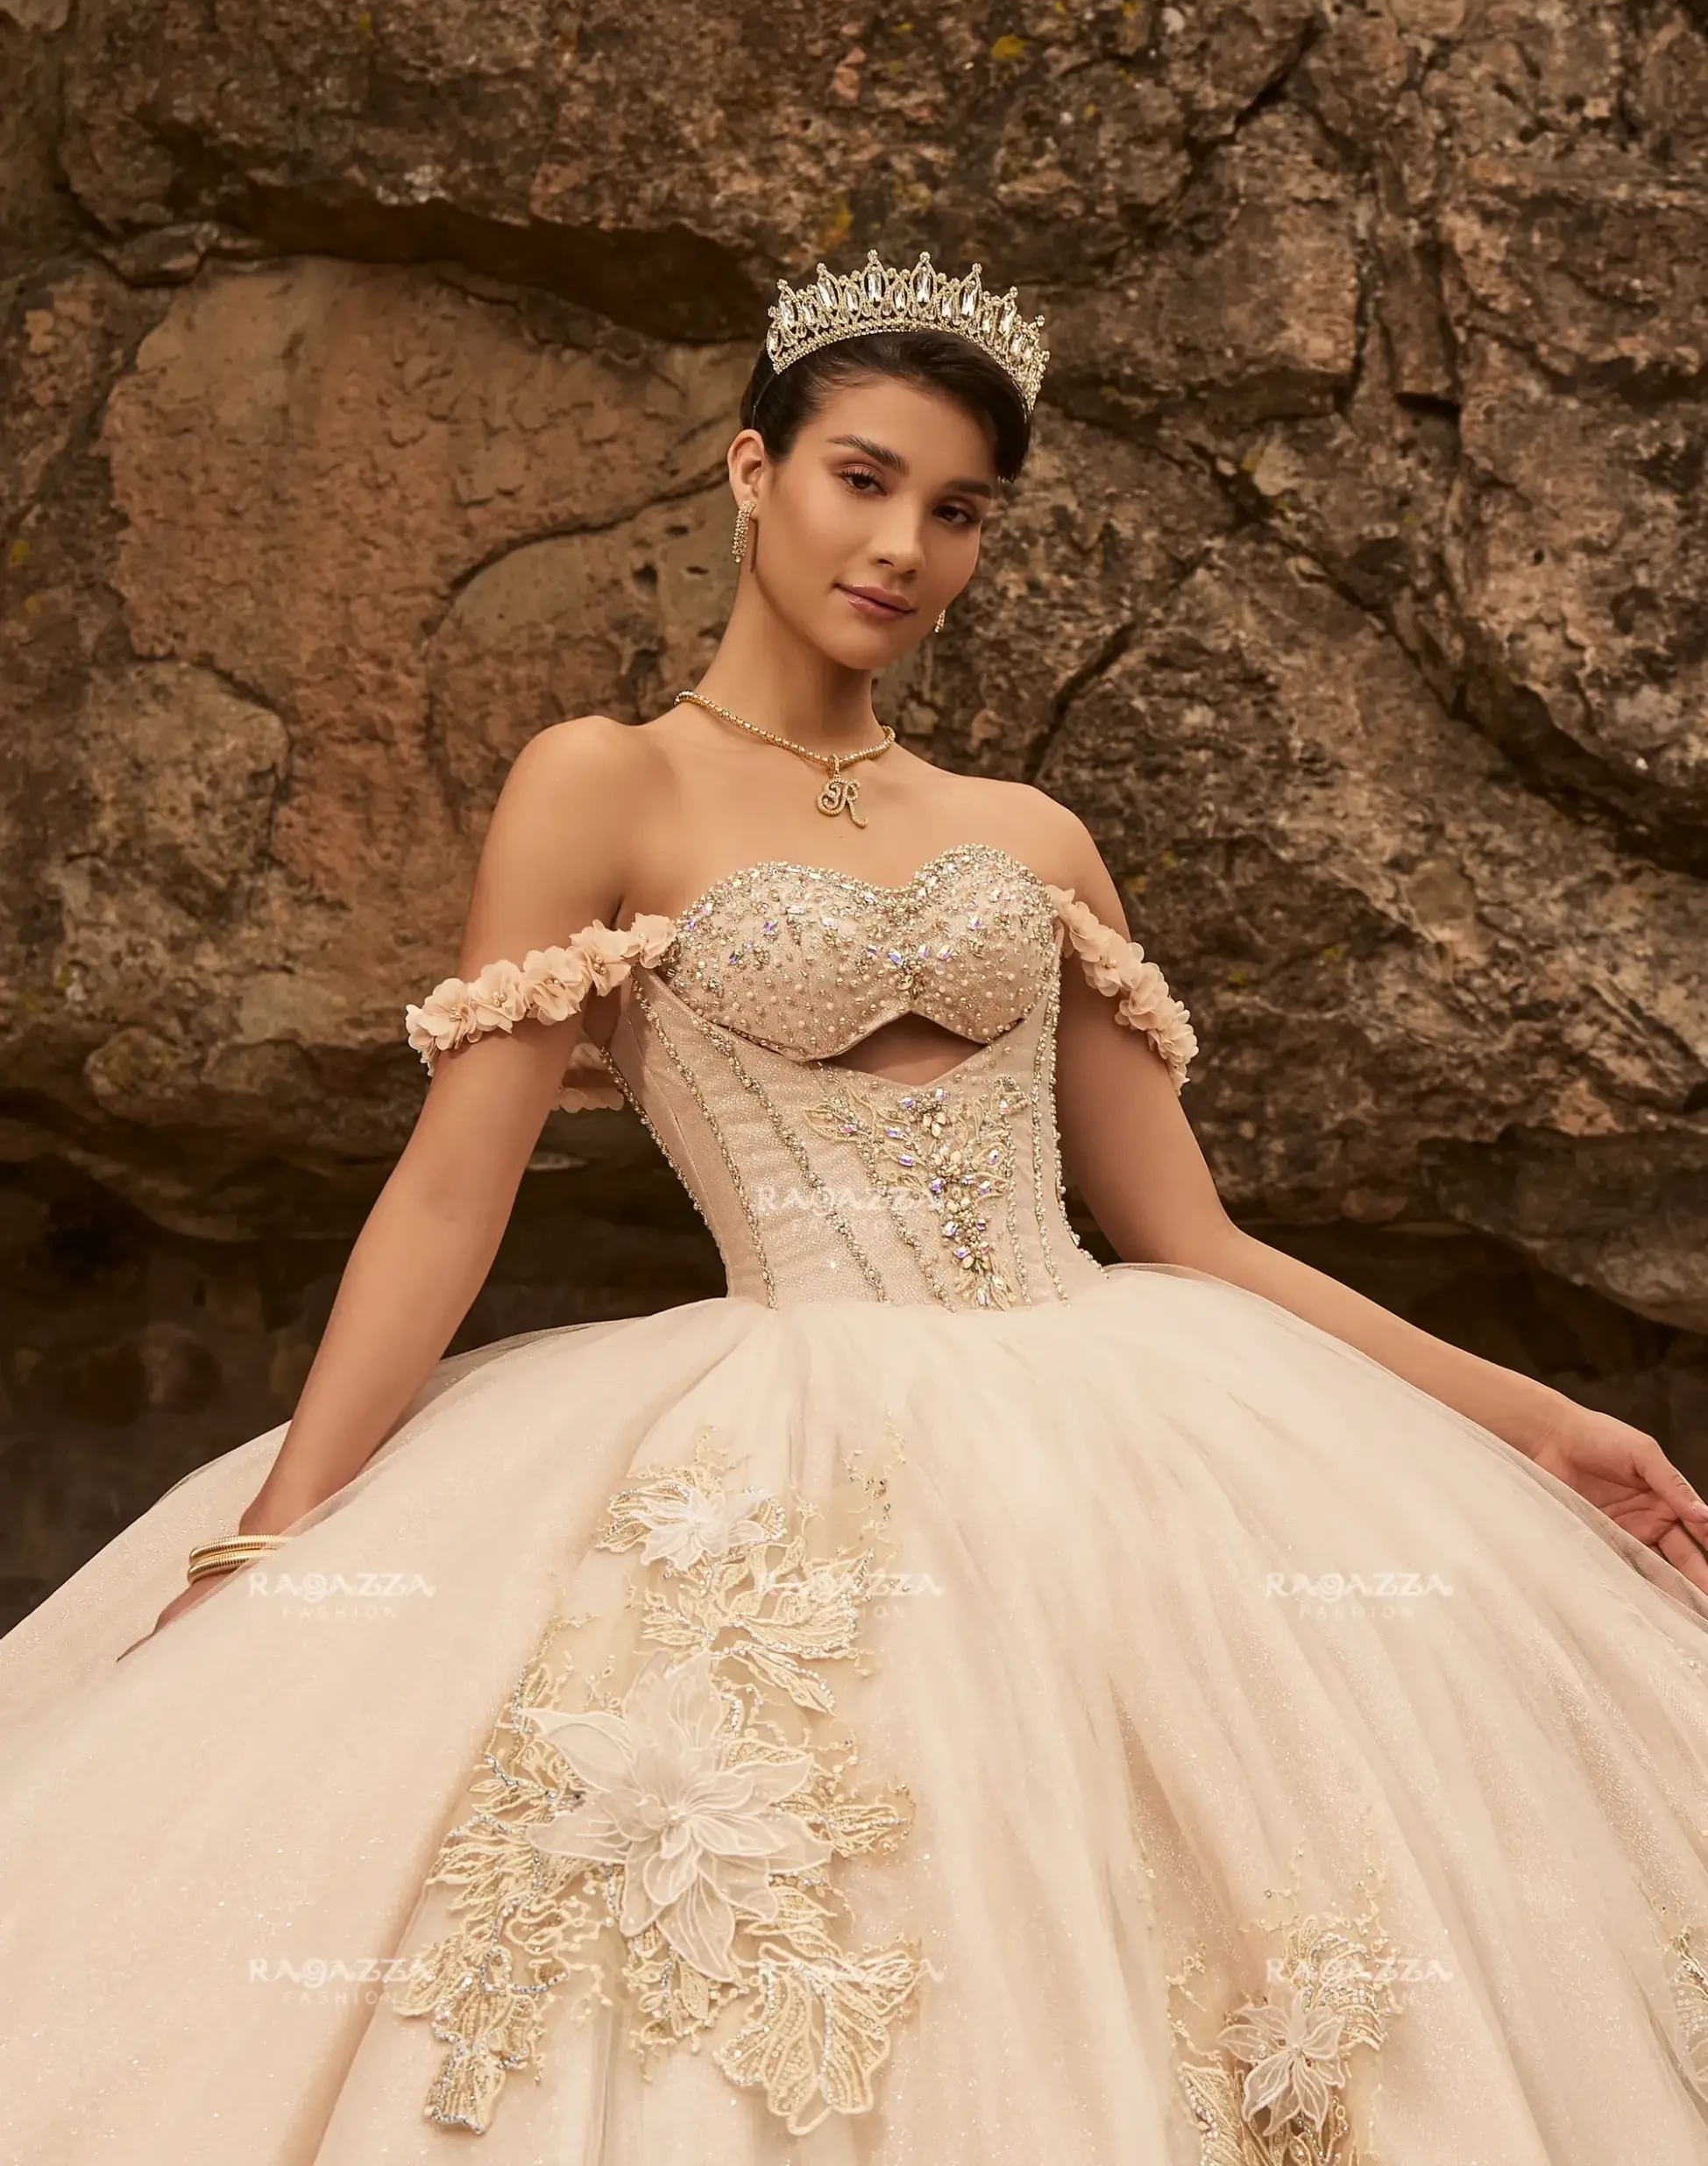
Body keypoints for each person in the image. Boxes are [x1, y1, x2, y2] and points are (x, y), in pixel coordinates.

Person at [4, 247, 1708, 2166]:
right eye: (864, 478)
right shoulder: (603, 784)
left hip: (1137, 1435)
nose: (903, 546)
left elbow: (1197, 1241)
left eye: (958, 510)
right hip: (781, 1439)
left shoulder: (1030, 836)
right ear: (754, 470)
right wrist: (277, 1533)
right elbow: (450, 1194)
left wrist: (1538, 1423)